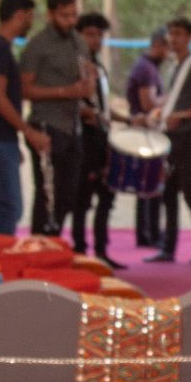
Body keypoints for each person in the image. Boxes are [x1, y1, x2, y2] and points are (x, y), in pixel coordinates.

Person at [0, 0, 46, 235]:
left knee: (1, 205)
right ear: (19, 15)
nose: (30, 24)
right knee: (11, 207)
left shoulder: (0, 48)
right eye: (30, 18)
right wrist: (28, 131)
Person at [21, 0, 91, 239]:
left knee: (69, 194)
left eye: (73, 15)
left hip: (72, 127)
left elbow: (86, 78)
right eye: (64, 16)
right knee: (47, 194)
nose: (71, 21)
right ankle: (40, 246)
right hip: (46, 125)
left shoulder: (79, 41)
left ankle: (54, 240)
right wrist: (64, 91)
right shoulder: (38, 46)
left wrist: (87, 83)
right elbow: (25, 89)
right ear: (50, 14)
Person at [148, 16, 191, 263]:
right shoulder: (175, 67)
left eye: (179, 34)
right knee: (169, 193)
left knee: (190, 194)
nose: (174, 39)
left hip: (189, 137)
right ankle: (169, 248)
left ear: (189, 38)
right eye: (172, 34)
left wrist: (183, 115)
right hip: (173, 137)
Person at [71, 13, 117, 263]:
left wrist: (129, 119)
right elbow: (70, 102)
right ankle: (79, 248)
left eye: (100, 34)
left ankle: (101, 250)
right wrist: (82, 111)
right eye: (90, 33)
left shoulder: (99, 68)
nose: (96, 39)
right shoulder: (74, 66)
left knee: (107, 195)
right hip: (83, 139)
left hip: (101, 137)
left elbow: (104, 109)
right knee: (83, 197)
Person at [125, 27, 169, 248]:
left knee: (149, 184)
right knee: (149, 184)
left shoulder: (147, 67)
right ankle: (148, 233)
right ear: (159, 45)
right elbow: (147, 103)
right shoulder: (147, 69)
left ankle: (148, 232)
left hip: (145, 131)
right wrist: (169, 99)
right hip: (144, 133)